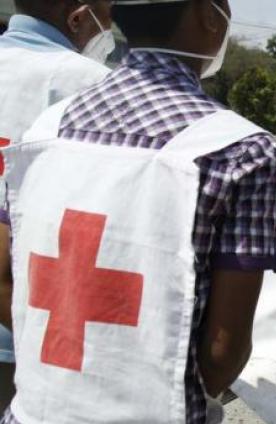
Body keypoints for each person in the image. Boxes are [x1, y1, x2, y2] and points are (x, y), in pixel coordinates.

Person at [0, 0, 276, 423]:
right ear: (209, 16)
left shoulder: (43, 130)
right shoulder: (242, 151)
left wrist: (67, 368)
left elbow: (4, 278)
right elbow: (223, 353)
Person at [0, 0, 114, 412]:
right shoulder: (93, 85)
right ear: (79, 17)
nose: (112, 23)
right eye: (109, 8)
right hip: (29, 328)